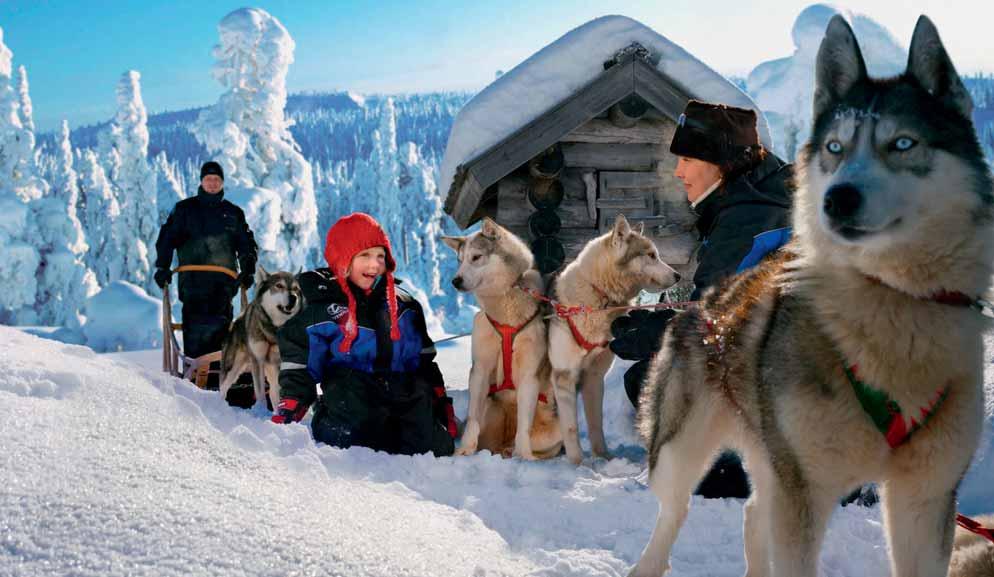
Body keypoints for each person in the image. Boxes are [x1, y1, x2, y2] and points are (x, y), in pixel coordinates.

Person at [610, 100, 793, 498]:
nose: (679, 171)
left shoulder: (750, 218)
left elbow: (713, 318)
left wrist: (656, 333)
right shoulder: (763, 194)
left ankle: (734, 476)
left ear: (722, 163)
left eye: (690, 158)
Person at [272, 212, 456, 457]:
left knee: (437, 447)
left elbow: (423, 363)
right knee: (350, 433)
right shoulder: (321, 307)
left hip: (401, 395)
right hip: (350, 397)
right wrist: (292, 403)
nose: (374, 264)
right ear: (343, 259)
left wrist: (441, 403)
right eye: (365, 255)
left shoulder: (405, 306)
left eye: (380, 256)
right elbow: (300, 364)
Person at [154, 160, 258, 363]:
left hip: (223, 282)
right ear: (201, 181)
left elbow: (246, 244)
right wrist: (162, 267)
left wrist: (248, 270)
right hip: (192, 279)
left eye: (216, 179)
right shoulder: (185, 210)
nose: (212, 183)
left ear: (222, 183)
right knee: (195, 325)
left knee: (222, 325)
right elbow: (167, 239)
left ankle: (220, 372)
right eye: (208, 179)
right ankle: (195, 370)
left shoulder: (233, 213)